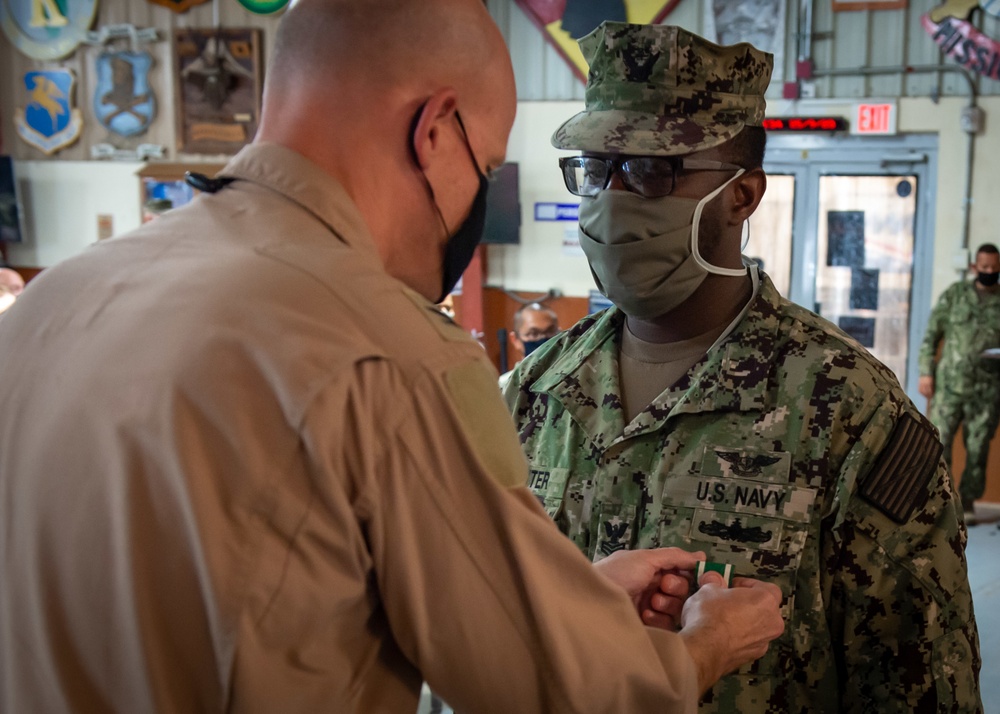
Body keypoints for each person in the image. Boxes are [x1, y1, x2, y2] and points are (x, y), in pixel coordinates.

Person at [0, 3, 785, 712]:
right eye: (485, 168)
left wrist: (569, 598)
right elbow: (567, 694)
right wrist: (705, 646)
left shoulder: (56, 301)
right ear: (436, 130)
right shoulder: (382, 349)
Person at [502, 21, 982, 712]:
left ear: (743, 194)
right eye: (597, 169)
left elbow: (917, 686)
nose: (612, 198)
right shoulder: (534, 391)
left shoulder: (848, 410)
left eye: (652, 168)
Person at [919, 242, 1000, 522]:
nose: (989, 272)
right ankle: (942, 502)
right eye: (984, 267)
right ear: (974, 267)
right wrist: (925, 371)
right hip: (950, 386)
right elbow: (931, 334)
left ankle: (967, 502)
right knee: (939, 443)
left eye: (994, 267)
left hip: (987, 389)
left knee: (978, 448)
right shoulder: (954, 295)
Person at [499, 301, 560, 386]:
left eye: (550, 331)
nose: (543, 339)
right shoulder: (504, 386)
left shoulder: (571, 381)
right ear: (515, 339)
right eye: (533, 334)